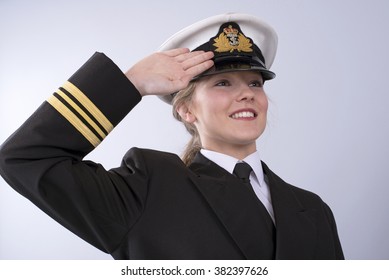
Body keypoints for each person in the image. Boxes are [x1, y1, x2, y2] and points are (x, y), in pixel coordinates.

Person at [0, 13, 344, 259]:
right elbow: (24, 158)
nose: (248, 94)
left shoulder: (313, 209)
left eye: (255, 83)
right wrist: (130, 83)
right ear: (186, 110)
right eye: (223, 83)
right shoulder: (146, 187)